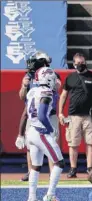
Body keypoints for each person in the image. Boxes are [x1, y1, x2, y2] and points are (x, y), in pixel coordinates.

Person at [25, 67, 65, 201]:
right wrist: (49, 128)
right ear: (48, 79)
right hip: (40, 132)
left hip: (31, 130)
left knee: (36, 166)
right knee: (59, 163)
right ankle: (50, 195)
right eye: (53, 79)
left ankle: (32, 198)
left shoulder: (32, 91)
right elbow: (42, 115)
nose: (55, 82)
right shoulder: (46, 92)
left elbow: (27, 113)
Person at [58, 53, 92, 178]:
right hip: (73, 116)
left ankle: (90, 168)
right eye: (78, 63)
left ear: (85, 62)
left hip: (89, 115)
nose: (80, 65)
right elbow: (63, 95)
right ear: (73, 64)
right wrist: (61, 113)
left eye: (82, 62)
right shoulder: (70, 77)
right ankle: (73, 169)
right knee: (73, 143)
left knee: (90, 142)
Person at [15, 51, 59, 181]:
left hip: (48, 114)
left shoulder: (52, 74)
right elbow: (22, 97)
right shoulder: (28, 76)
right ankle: (31, 172)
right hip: (32, 115)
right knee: (30, 146)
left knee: (52, 144)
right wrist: (24, 85)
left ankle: (53, 173)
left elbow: (56, 90)